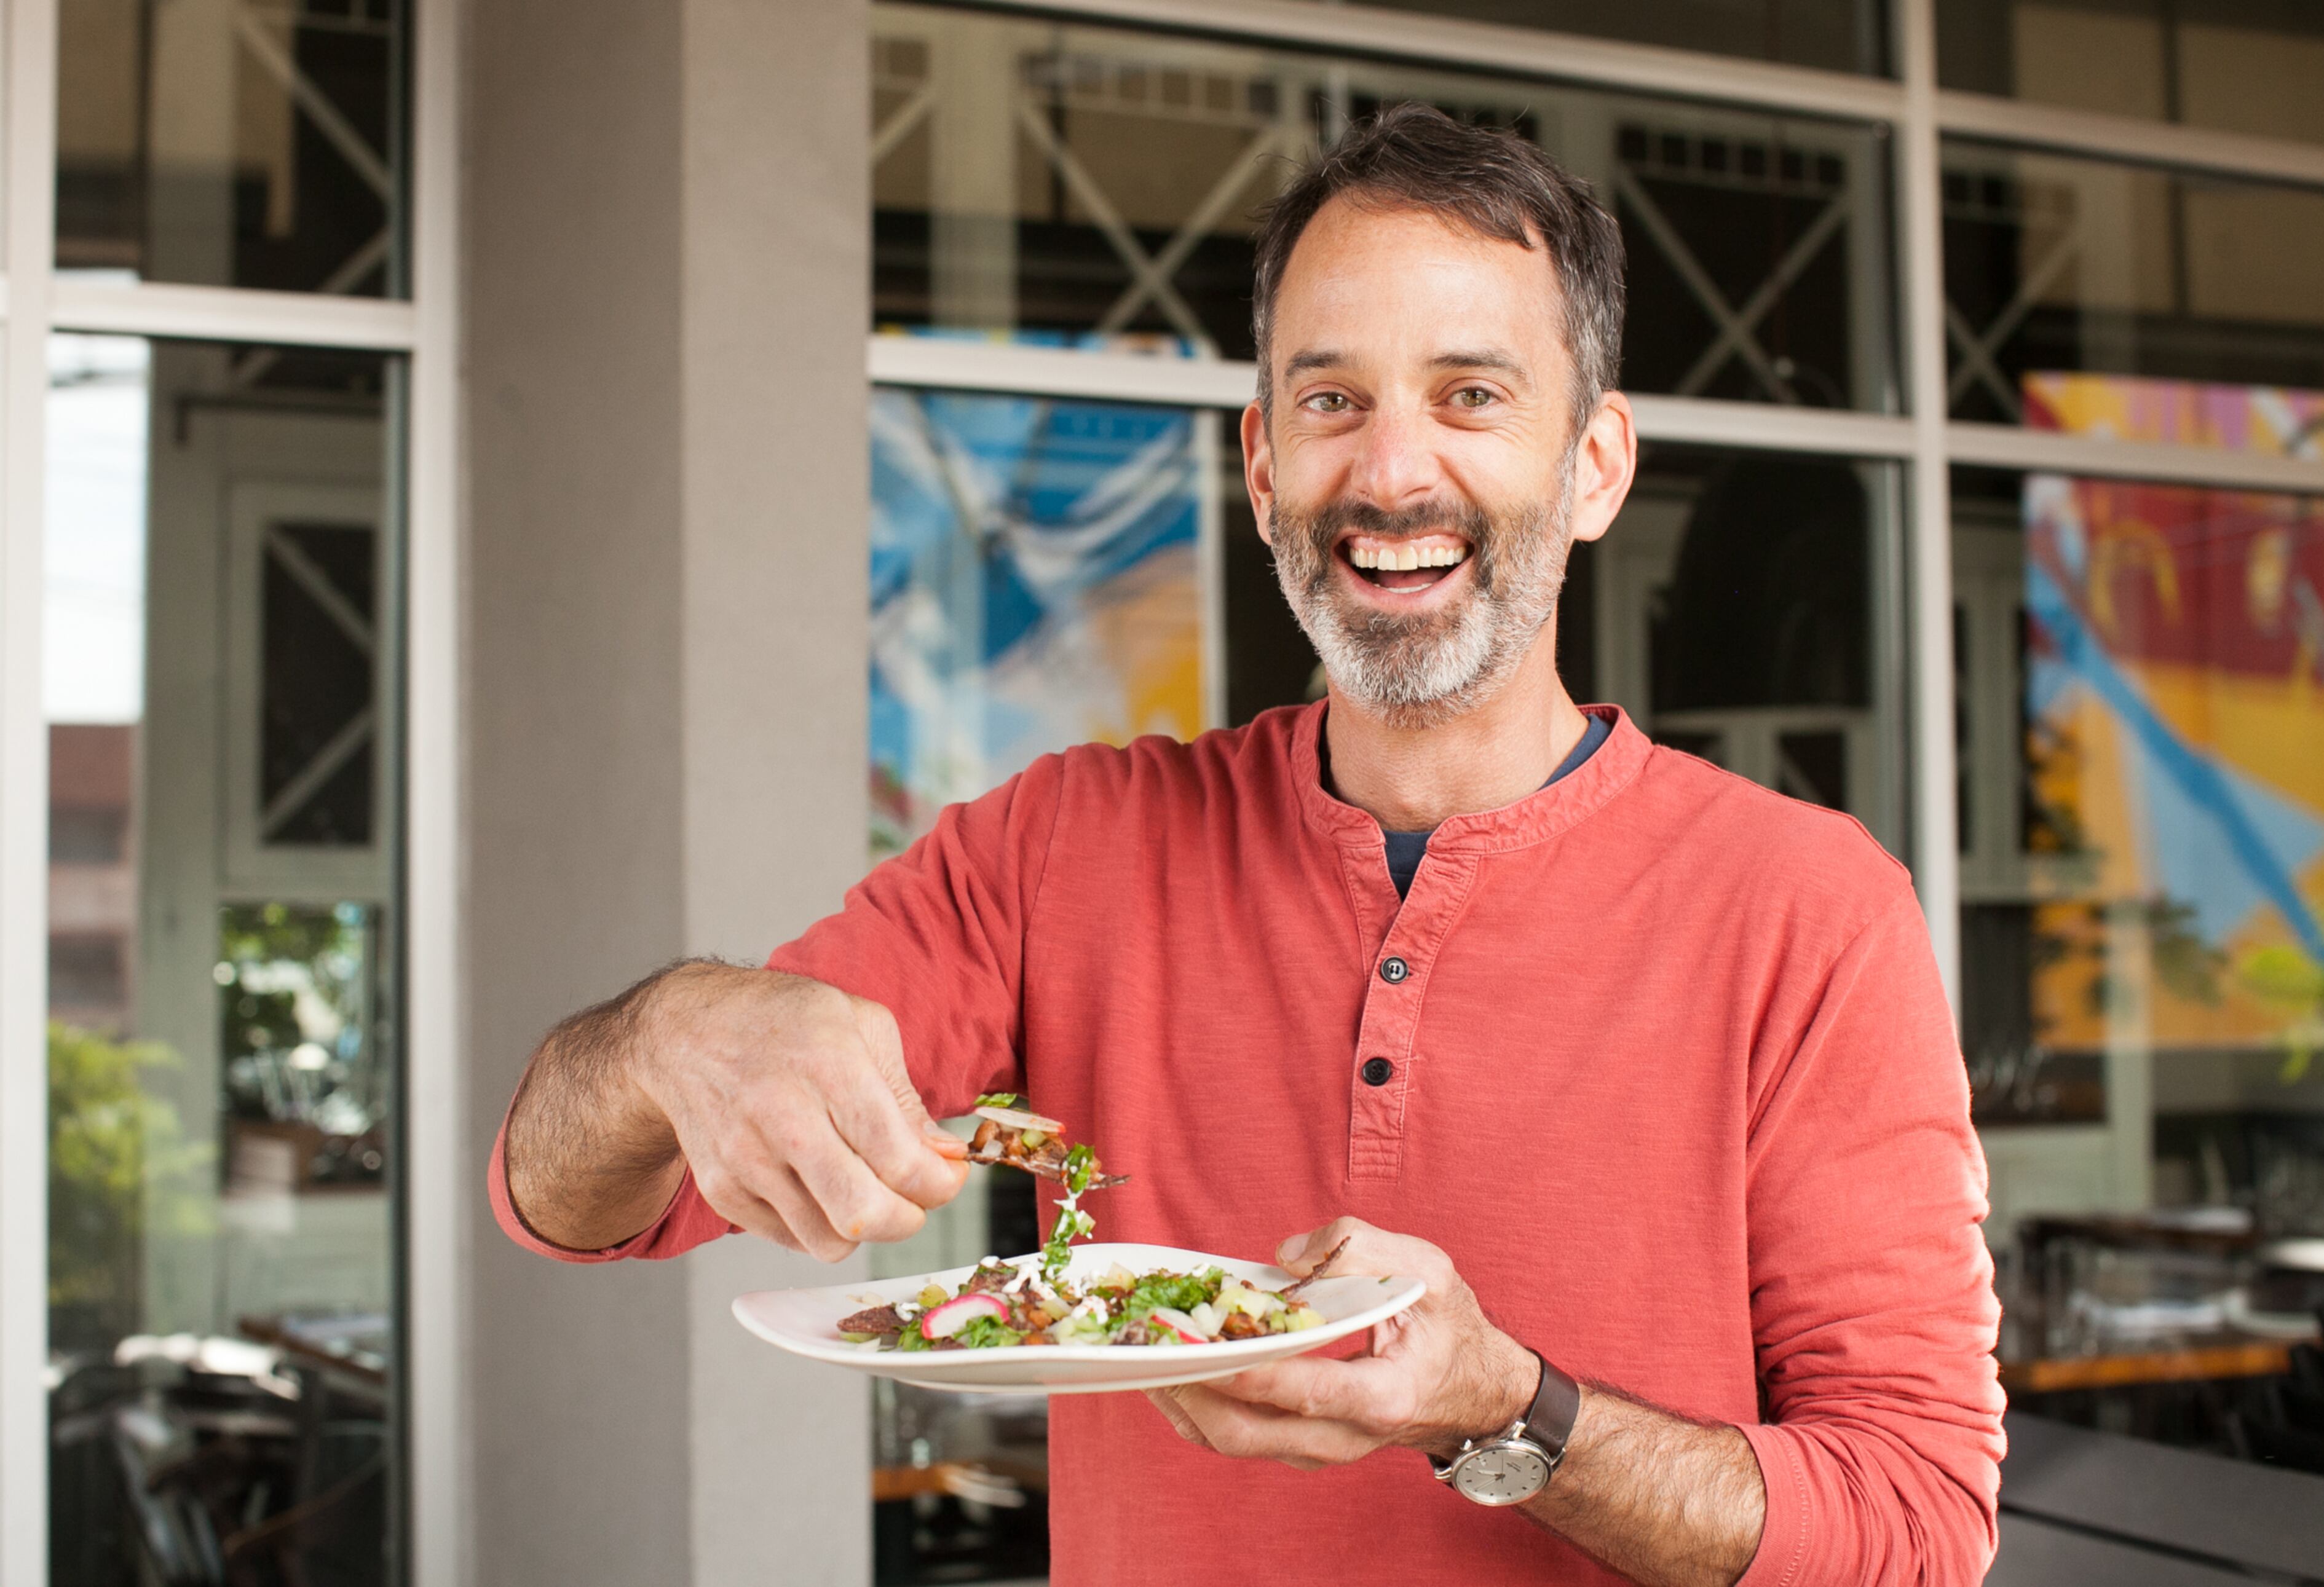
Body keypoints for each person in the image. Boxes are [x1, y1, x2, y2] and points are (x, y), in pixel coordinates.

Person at [490, 103, 2004, 1587]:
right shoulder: (1062, 847)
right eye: (1331, 399)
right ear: (1264, 462)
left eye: (1471, 396)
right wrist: (672, 1036)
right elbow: (562, 1205)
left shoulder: (1812, 909)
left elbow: (1921, 1529)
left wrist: (1509, 1408)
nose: (1392, 474)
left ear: (1595, 463)